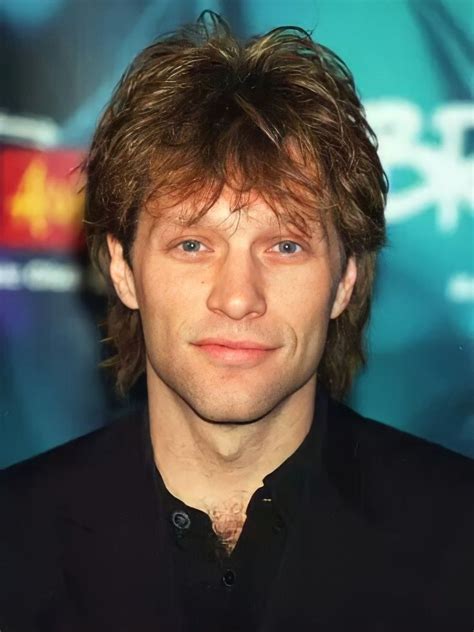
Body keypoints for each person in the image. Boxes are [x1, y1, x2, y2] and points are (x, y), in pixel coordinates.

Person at [1, 12, 472, 632]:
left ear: (346, 280)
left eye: (285, 247)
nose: (238, 297)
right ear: (122, 269)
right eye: (193, 245)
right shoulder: (12, 540)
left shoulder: (460, 533)